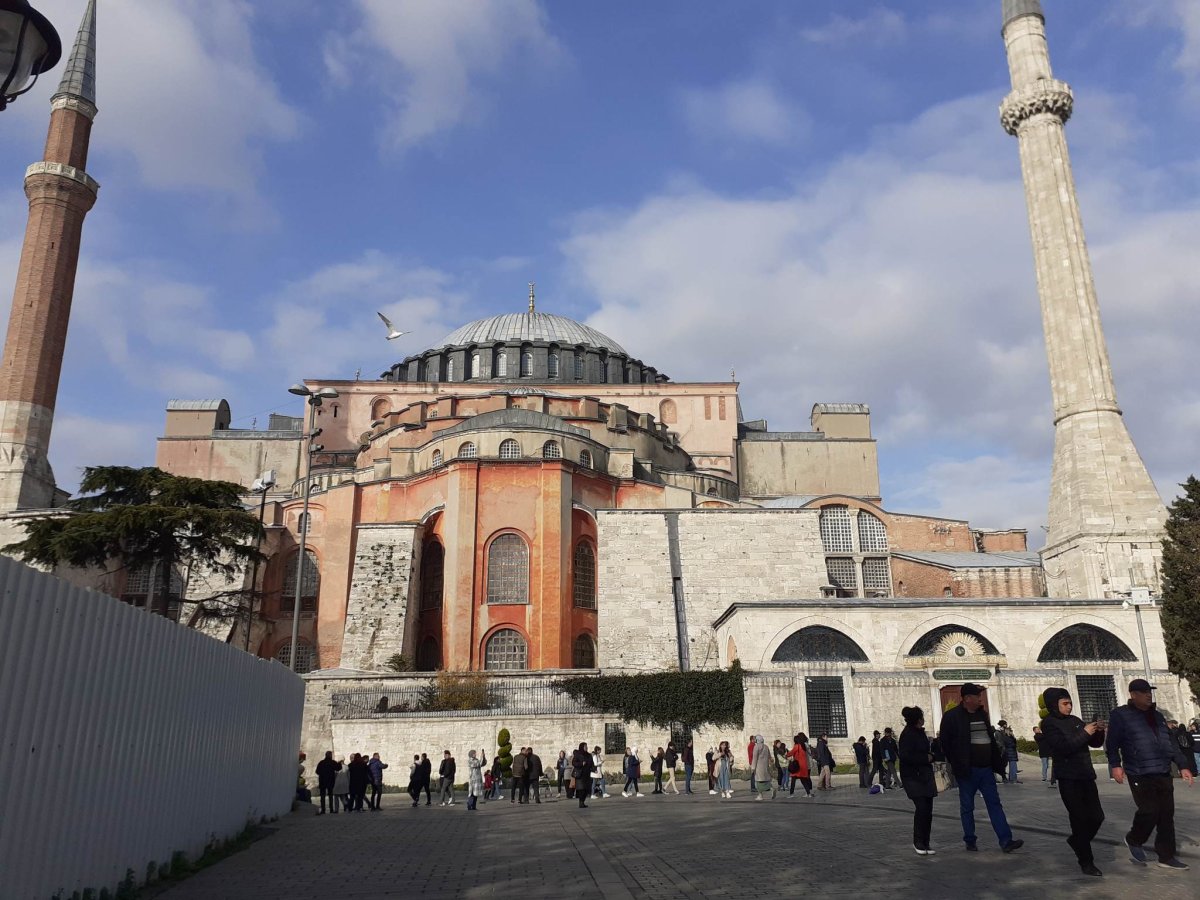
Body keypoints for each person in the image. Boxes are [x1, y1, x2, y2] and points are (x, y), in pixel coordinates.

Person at [1105, 678, 1194, 870]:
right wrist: (1115, 764)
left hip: (1162, 771)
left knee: (1166, 815)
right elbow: (1112, 742)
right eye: (1143, 692)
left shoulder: (1158, 717)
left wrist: (1183, 765)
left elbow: (1170, 744)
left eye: (1149, 691)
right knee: (1149, 810)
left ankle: (1166, 857)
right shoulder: (1121, 715)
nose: (1148, 695)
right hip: (1139, 772)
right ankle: (1134, 838)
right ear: (1133, 695)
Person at [937, 683, 1023, 853]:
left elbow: (989, 739)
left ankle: (1006, 840)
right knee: (967, 806)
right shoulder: (952, 717)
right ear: (968, 698)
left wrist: (996, 761)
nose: (980, 699)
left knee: (994, 804)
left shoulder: (982, 715)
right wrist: (957, 762)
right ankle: (970, 839)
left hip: (985, 769)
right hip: (967, 770)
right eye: (977, 696)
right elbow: (945, 743)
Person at [1040, 687, 1106, 876]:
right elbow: (1063, 747)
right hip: (1068, 777)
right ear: (1055, 705)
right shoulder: (1049, 724)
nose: (1069, 707)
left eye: (1070, 703)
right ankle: (1086, 861)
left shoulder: (1076, 721)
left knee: (1097, 817)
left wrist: (1098, 731)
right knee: (1079, 819)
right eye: (1065, 704)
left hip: (1085, 774)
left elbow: (1093, 743)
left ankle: (1077, 841)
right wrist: (1085, 732)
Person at [899, 706, 938, 856]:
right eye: (922, 717)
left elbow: (927, 752)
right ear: (917, 719)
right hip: (913, 777)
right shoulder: (907, 735)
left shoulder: (921, 734)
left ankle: (926, 842)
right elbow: (905, 756)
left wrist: (932, 756)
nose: (924, 720)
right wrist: (925, 758)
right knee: (921, 807)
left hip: (925, 775)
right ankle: (918, 842)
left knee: (928, 810)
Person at [315, 751, 341, 815]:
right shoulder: (332, 762)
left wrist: (322, 774)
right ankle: (331, 809)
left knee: (322, 796)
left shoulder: (321, 763)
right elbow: (338, 768)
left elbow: (317, 771)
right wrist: (339, 763)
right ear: (330, 756)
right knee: (330, 796)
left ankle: (323, 810)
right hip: (330, 781)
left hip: (322, 781)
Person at [572, 742, 595, 808]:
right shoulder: (578, 754)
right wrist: (581, 764)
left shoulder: (588, 755)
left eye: (586, 746)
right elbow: (574, 763)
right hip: (580, 774)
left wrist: (594, 769)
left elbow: (591, 764)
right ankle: (581, 802)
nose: (586, 747)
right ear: (582, 747)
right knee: (582, 789)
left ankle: (582, 801)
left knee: (587, 789)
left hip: (587, 774)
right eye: (585, 746)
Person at [751, 735, 775, 800]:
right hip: (765, 766)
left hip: (758, 766)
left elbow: (755, 758)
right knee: (765, 779)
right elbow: (769, 756)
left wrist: (753, 768)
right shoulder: (766, 747)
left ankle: (760, 795)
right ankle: (771, 788)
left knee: (758, 781)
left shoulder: (756, 747)